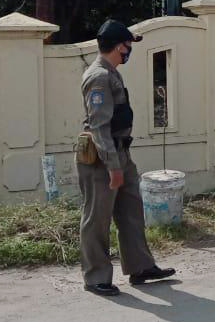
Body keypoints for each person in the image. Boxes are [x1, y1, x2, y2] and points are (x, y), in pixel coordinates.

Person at [78, 20, 174, 296]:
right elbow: (99, 127)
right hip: (102, 156)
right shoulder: (99, 76)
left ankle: (140, 267)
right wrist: (113, 167)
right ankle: (96, 276)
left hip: (120, 151)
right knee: (97, 217)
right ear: (119, 46)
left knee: (131, 210)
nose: (129, 50)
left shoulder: (110, 73)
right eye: (128, 45)